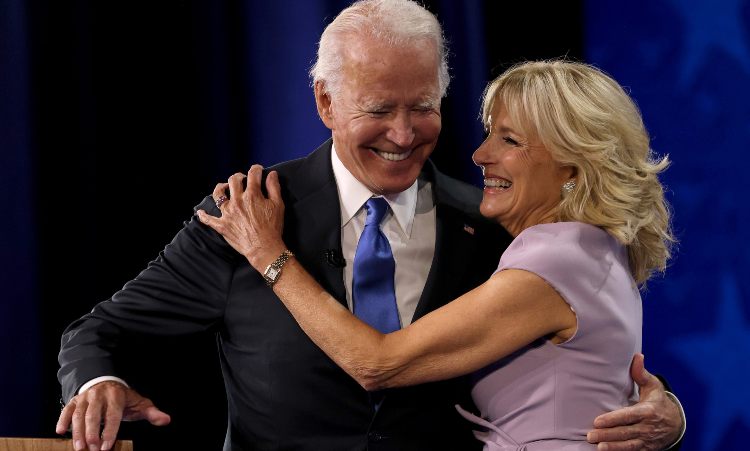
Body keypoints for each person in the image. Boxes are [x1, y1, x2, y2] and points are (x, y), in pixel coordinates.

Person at [56, 1, 684, 450]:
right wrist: (97, 383)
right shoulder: (248, 214)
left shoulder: (496, 225)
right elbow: (99, 330)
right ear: (325, 101)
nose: (404, 135)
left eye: (423, 107)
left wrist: (663, 411)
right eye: (380, 110)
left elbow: (582, 353)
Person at [197, 59, 683, 450]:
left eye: (509, 140)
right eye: (489, 132)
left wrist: (268, 253)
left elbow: (376, 363)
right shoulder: (593, 248)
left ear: (572, 166)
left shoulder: (556, 259)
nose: (480, 154)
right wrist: (669, 410)